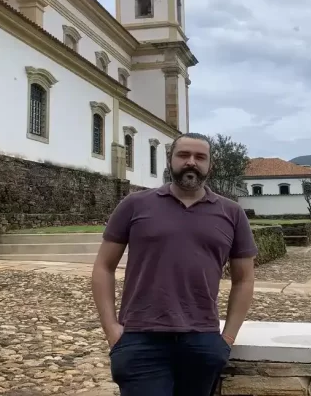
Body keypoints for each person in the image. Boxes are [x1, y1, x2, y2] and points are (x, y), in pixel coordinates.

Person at [91, 132, 257, 396]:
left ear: (209, 165)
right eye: (183, 155)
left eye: (200, 157)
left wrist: (227, 339)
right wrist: (112, 329)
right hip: (140, 337)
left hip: (202, 340)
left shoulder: (232, 213)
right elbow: (103, 266)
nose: (191, 162)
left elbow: (244, 279)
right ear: (170, 160)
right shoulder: (135, 205)